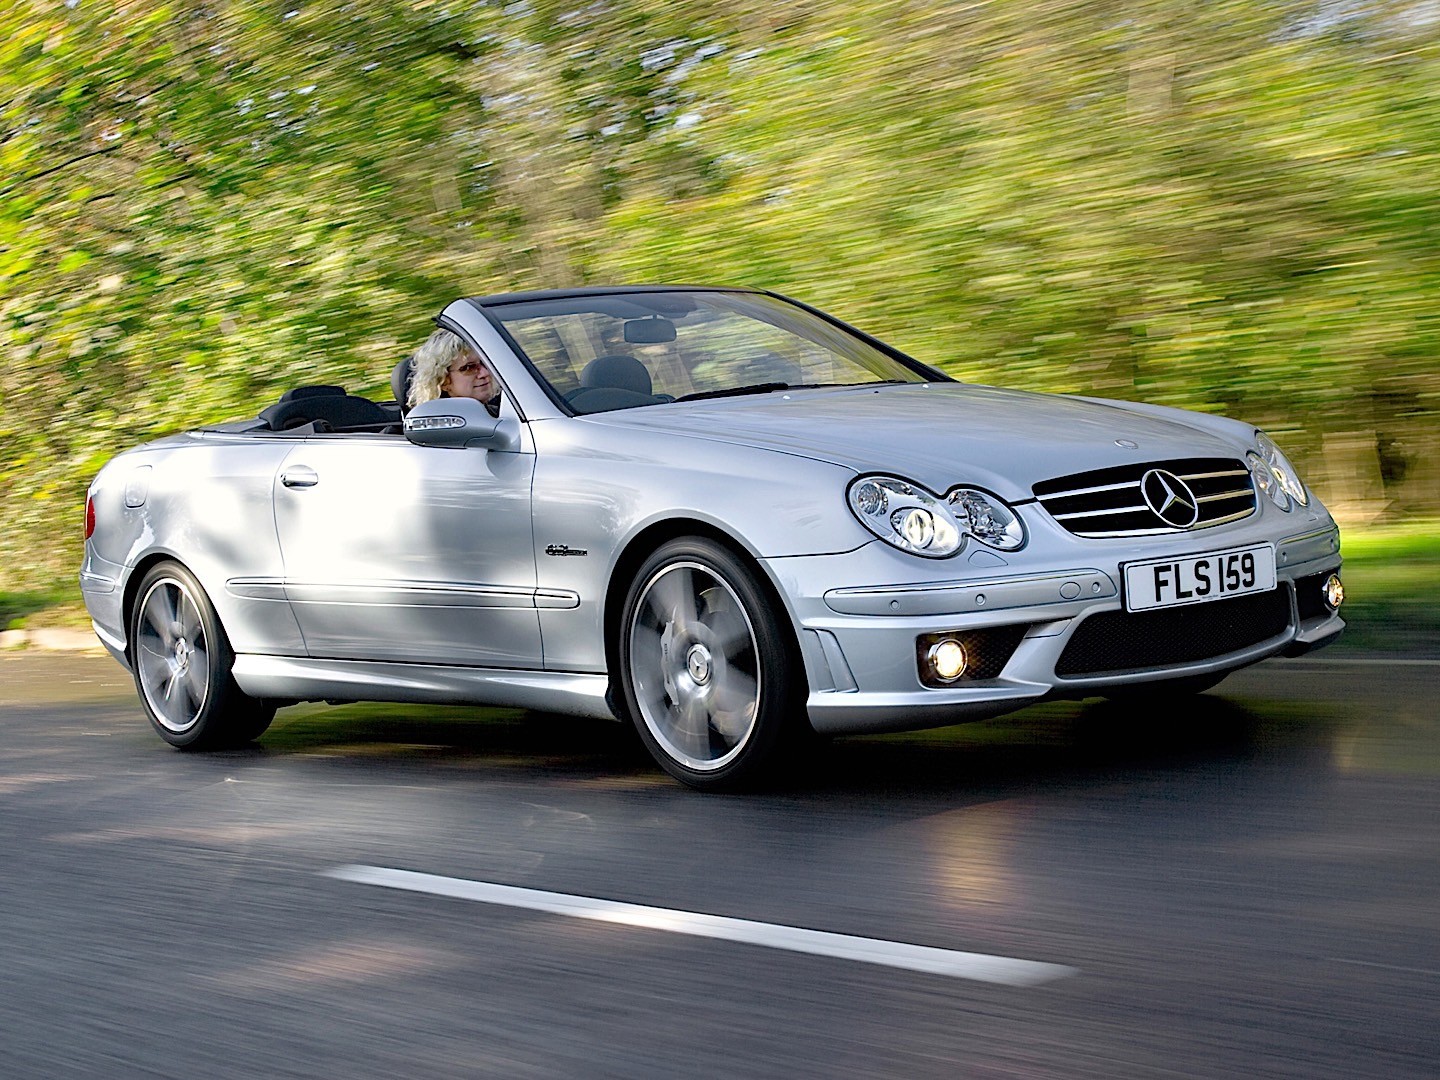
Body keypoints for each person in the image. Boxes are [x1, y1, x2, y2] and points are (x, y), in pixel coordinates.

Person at [407, 329, 501, 414]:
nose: (485, 373)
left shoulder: (503, 413)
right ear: (444, 381)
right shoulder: (440, 428)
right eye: (469, 368)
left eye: (486, 364)